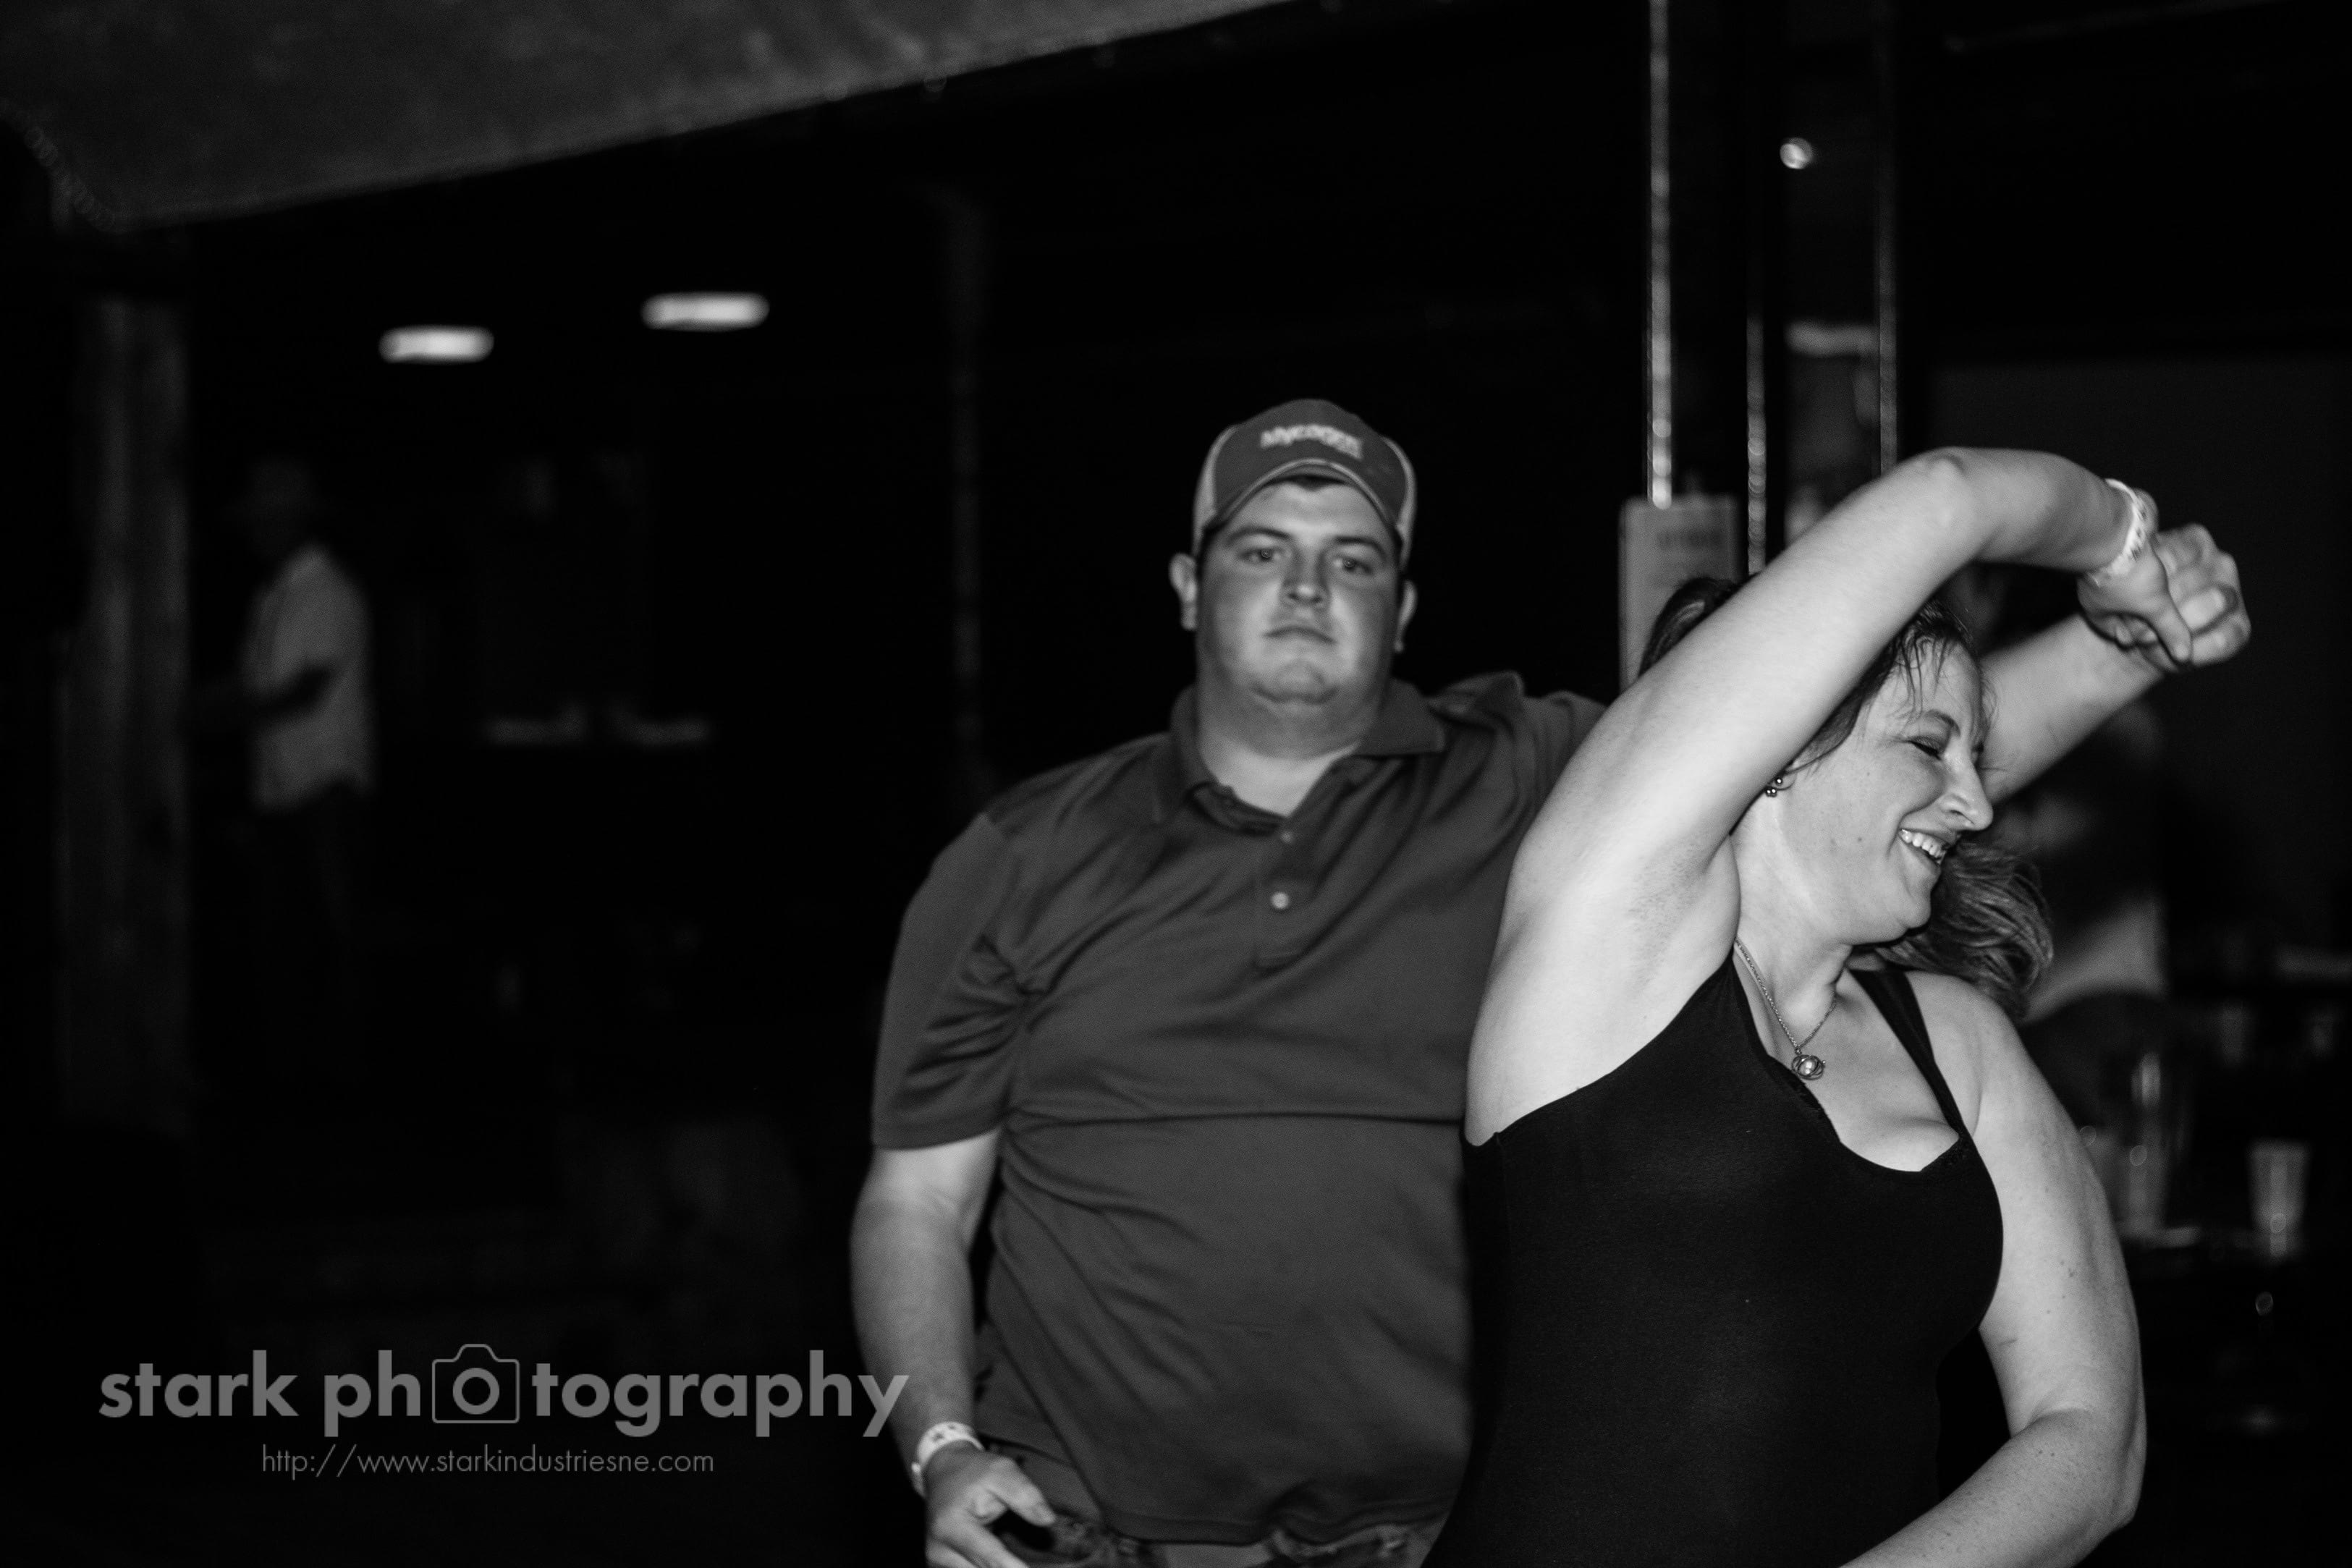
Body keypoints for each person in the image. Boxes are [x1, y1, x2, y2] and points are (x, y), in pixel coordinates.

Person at [853, 403, 2246, 1568]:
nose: (1306, 588)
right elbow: (917, 1196)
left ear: (1406, 603)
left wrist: (2122, 644)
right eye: (1263, 549)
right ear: (1184, 583)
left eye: (1353, 559)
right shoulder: (1024, 852)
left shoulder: (1534, 781)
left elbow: (1864, 772)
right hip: (1095, 1525)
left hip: (1408, 1523)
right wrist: (938, 1443)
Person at [1434, 453, 2248, 1565]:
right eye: (1929, 748)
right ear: (1770, 753)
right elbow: (1946, 493)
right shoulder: (1598, 961)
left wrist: (2134, 640)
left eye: (1976, 756)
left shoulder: (1957, 1044)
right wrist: (2120, 538)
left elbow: (2091, 1440)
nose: (1976, 803)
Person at [204, 457, 375, 1098]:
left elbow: (302, 692)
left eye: (268, 518)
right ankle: (295, 1075)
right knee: (282, 938)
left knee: (333, 934)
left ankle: (343, 1076)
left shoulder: (329, 592)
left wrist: (214, 719)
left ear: (295, 522)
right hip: (280, 789)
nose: (257, 531)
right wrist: (195, 703)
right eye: (256, 519)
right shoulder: (272, 597)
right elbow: (254, 682)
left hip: (324, 787)